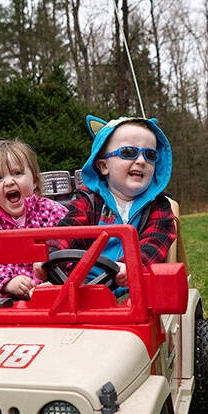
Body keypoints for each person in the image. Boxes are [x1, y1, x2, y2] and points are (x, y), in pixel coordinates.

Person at [34, 116, 176, 294]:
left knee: (137, 308)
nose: (141, 161)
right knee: (48, 302)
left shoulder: (158, 207)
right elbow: (67, 231)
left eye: (150, 155)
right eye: (128, 152)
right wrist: (48, 256)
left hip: (136, 286)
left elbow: (154, 242)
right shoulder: (89, 200)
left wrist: (131, 266)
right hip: (82, 284)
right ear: (103, 166)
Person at [0, 139, 68, 299]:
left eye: (17, 173)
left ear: (35, 180)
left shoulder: (54, 212)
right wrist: (8, 282)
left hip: (54, 294)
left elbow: (71, 249)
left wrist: (56, 280)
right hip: (8, 300)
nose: (9, 182)